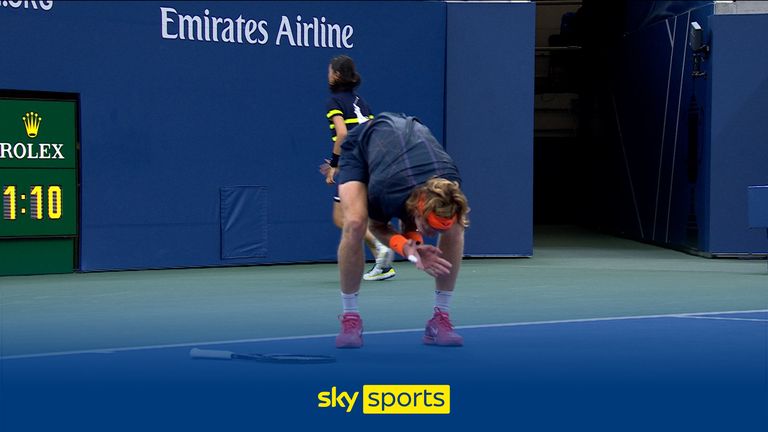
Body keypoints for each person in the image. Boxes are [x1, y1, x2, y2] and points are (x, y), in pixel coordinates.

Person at [333, 112, 470, 348]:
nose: (432, 234)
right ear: (418, 210)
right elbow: (376, 226)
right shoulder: (387, 189)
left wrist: (414, 243)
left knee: (456, 227)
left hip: (406, 152)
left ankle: (441, 317)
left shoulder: (450, 184)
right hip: (362, 147)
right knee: (355, 223)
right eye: (430, 226)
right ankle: (350, 317)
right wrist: (405, 247)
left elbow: (419, 219)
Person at [324, 55, 396, 281]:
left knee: (342, 217)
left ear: (336, 75)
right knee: (355, 215)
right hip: (370, 160)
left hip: (352, 163)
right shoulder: (361, 102)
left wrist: (335, 165)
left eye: (329, 71)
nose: (327, 75)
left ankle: (380, 249)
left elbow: (342, 134)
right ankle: (383, 264)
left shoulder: (334, 102)